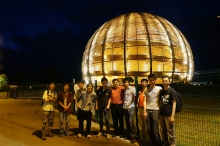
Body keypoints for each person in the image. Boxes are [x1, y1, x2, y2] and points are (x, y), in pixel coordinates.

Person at [143, 74, 162, 146]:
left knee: (155, 129)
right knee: (149, 128)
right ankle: (151, 142)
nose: (152, 81)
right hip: (148, 109)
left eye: (153, 80)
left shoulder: (159, 89)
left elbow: (160, 100)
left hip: (155, 110)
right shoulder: (146, 89)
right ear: (148, 80)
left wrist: (160, 110)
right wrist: (144, 111)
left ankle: (157, 143)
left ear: (155, 80)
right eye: (150, 80)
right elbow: (145, 101)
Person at [159, 76, 177, 146]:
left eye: (166, 81)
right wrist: (159, 112)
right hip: (162, 114)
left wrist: (172, 116)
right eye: (163, 81)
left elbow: (174, 103)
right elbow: (160, 102)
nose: (165, 82)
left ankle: (172, 144)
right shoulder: (162, 92)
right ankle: (165, 144)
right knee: (163, 131)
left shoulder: (172, 91)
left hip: (169, 114)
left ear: (169, 81)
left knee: (170, 131)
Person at [122, 77, 137, 144]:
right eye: (124, 82)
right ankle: (128, 135)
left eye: (126, 82)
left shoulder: (133, 88)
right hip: (125, 106)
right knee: (127, 122)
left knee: (131, 122)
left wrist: (133, 94)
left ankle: (134, 136)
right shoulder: (124, 89)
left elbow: (134, 98)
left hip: (130, 107)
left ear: (129, 82)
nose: (125, 83)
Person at [137, 78, 148, 143]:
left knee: (146, 124)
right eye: (142, 82)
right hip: (140, 108)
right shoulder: (140, 91)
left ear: (147, 83)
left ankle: (147, 138)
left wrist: (145, 110)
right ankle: (142, 137)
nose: (143, 83)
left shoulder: (148, 90)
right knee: (141, 124)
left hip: (145, 109)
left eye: (145, 82)